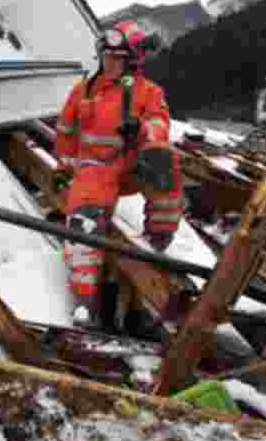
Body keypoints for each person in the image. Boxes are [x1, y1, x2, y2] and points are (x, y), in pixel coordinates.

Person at [54, 20, 185, 328]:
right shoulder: (83, 91)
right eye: (106, 56)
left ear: (132, 61)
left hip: (126, 168)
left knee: (165, 161)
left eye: (117, 58)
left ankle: (159, 237)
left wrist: (140, 131)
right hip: (93, 170)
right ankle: (85, 300)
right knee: (85, 219)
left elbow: (160, 125)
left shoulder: (148, 92)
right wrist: (64, 167)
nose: (109, 63)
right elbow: (65, 133)